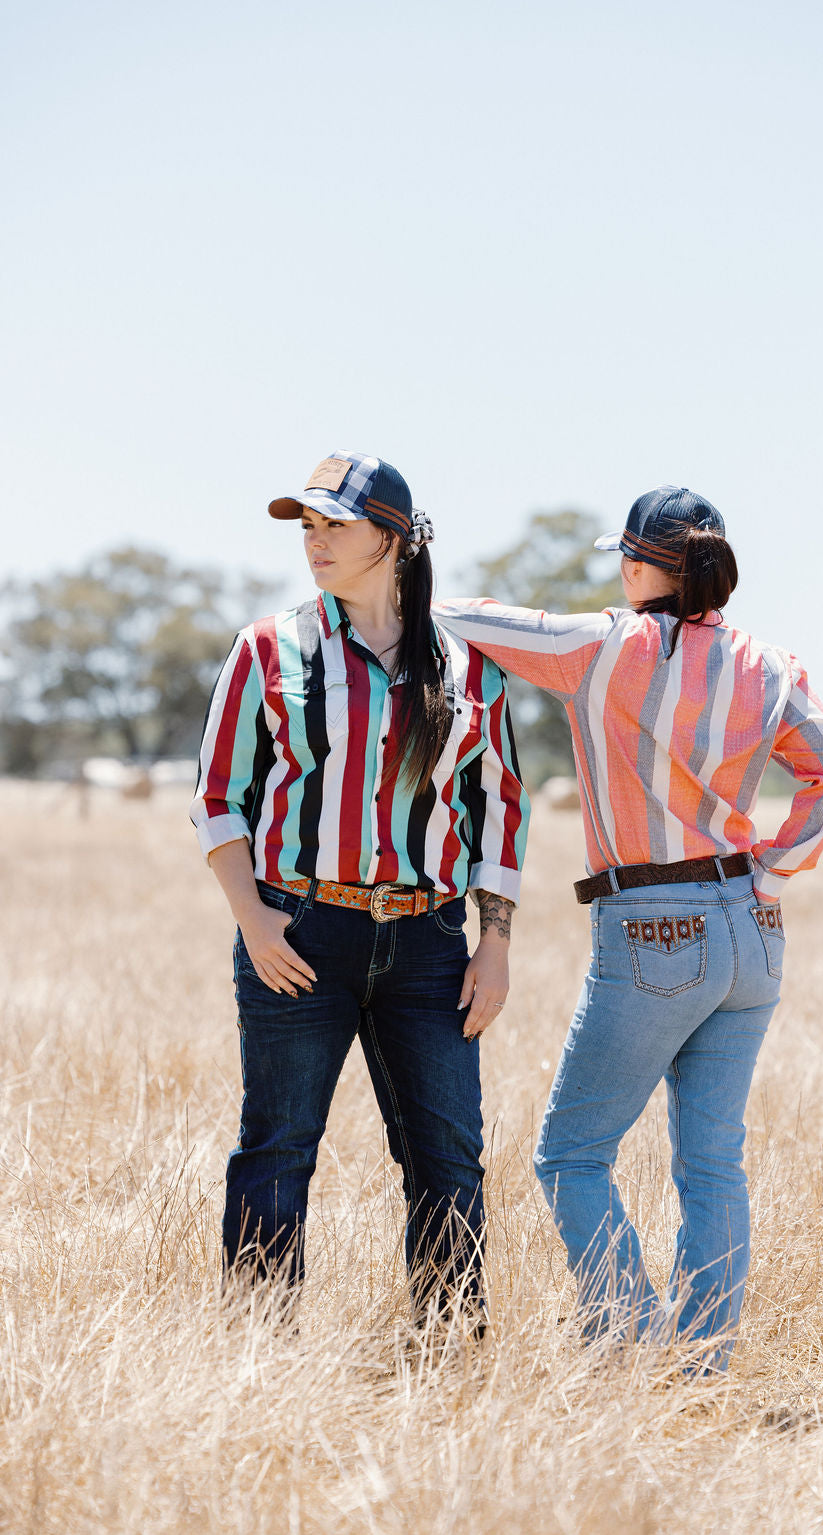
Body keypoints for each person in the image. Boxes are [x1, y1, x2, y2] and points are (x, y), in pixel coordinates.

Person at [435, 485, 823, 1366]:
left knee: (570, 1155)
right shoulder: (769, 664)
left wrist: (397, 587)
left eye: (624, 558)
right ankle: (699, 1363)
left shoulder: (601, 646)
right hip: (753, 930)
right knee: (712, 1165)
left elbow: (465, 618)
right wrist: (775, 869)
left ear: (640, 567)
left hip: (652, 928)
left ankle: (627, 1337)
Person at [190, 450, 529, 1335]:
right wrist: (254, 920)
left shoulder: (471, 669)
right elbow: (217, 794)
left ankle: (448, 1351)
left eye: (334, 524)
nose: (315, 541)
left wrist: (494, 945)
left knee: (448, 1158)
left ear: (394, 537)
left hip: (428, 946)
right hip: (299, 934)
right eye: (307, 526)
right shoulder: (267, 648)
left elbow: (500, 808)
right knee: (277, 1148)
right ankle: (258, 1353)